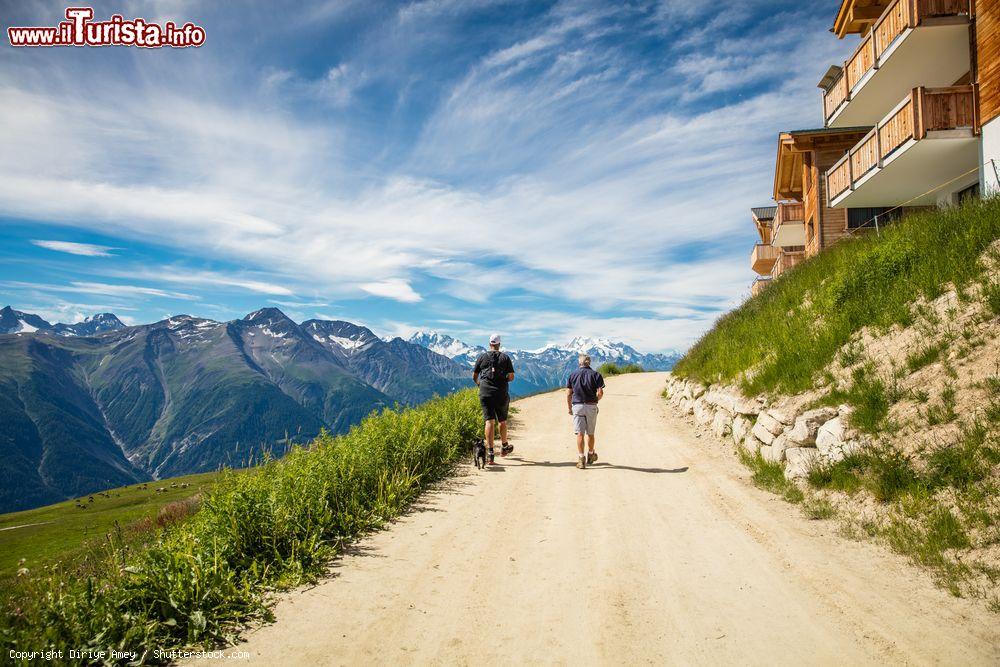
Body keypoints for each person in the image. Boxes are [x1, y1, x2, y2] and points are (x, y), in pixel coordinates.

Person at [473, 333, 515, 464]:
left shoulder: (481, 357)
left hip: (485, 392)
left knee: (489, 421)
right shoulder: (505, 358)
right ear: (499, 344)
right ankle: (504, 446)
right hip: (501, 393)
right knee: (502, 421)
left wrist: (481, 384)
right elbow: (512, 376)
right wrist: (504, 380)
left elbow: (474, 376)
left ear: (489, 344)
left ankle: (490, 453)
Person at [566, 354, 605, 469]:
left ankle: (581, 459)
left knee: (580, 433)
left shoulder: (572, 375)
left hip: (577, 406)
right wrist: (595, 400)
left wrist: (569, 408)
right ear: (589, 363)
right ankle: (591, 454)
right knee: (591, 433)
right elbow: (600, 393)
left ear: (580, 363)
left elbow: (568, 394)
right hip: (591, 406)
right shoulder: (596, 375)